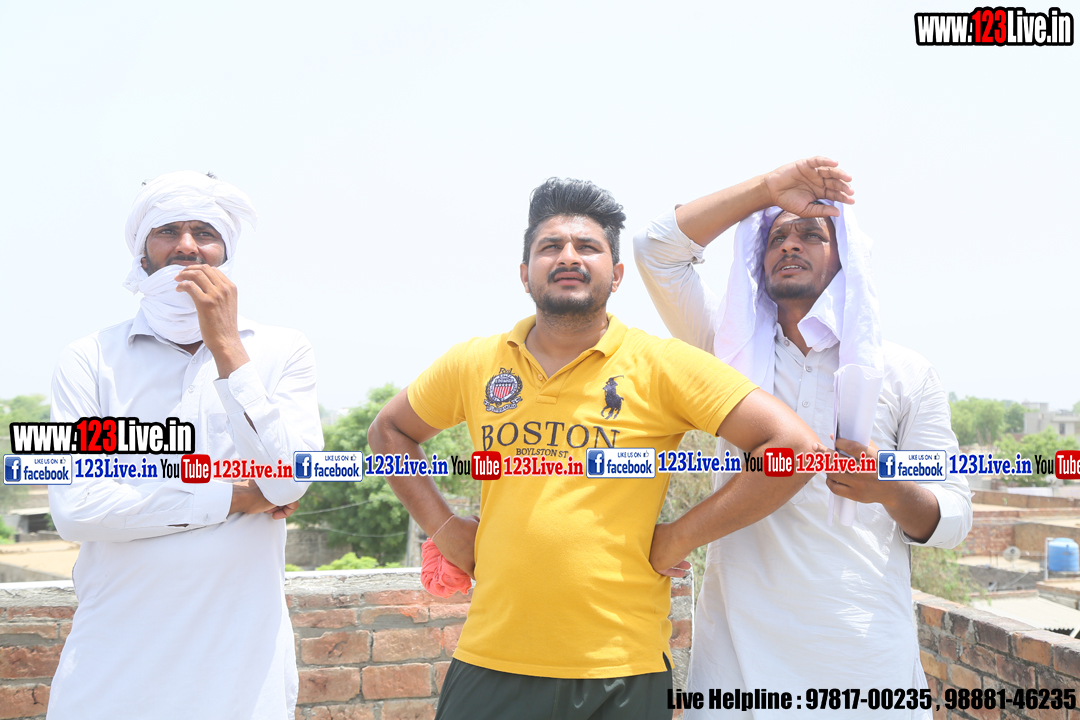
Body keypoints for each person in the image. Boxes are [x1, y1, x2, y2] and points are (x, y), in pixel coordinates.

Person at [367, 177, 822, 720]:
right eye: (549, 247)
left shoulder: (660, 364)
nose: (568, 257)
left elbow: (794, 448)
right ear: (524, 273)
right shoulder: (475, 363)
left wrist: (680, 537)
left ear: (617, 274)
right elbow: (388, 432)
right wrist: (445, 529)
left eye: (587, 246)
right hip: (491, 660)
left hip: (621, 669)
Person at [634, 157, 973, 719]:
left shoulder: (904, 373)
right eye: (776, 237)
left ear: (845, 259)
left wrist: (889, 488)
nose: (790, 243)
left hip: (863, 663)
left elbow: (954, 517)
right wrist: (767, 189)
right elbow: (656, 250)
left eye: (811, 234)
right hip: (737, 664)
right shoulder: (727, 351)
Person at [47, 171, 323, 720]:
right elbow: (77, 508)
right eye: (168, 231)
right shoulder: (91, 361)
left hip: (242, 665)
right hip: (116, 662)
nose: (187, 246)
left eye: (205, 232)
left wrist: (227, 346)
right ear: (142, 250)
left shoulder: (282, 351)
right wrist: (234, 497)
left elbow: (288, 481)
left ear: (226, 251)